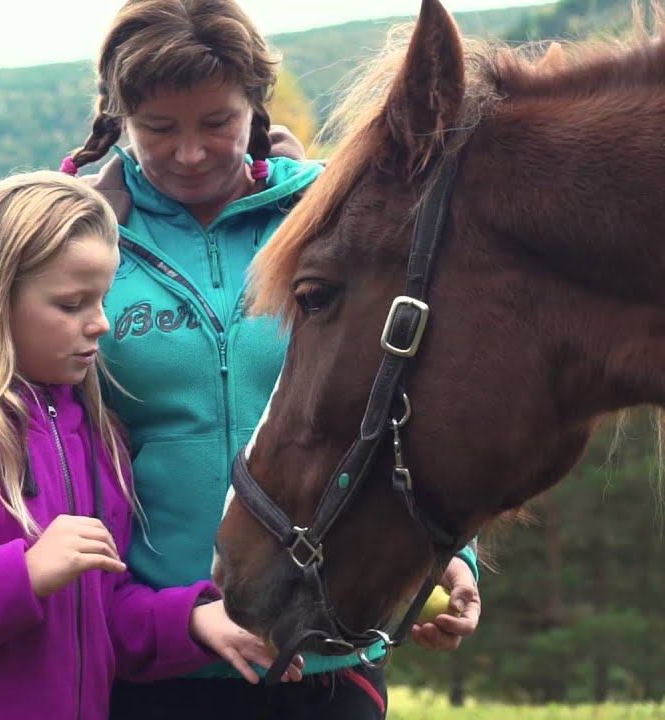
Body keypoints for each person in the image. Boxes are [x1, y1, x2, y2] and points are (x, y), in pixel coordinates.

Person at [58, 2, 483, 718]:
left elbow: (403, 399)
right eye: (159, 128)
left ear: (255, 108)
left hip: (325, 655)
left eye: (217, 122)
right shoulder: (75, 241)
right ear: (118, 117)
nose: (189, 152)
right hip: (151, 658)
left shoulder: (335, 219)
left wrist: (450, 552)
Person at [0, 171, 302, 720]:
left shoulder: (96, 435)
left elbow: (96, 612)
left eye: (103, 300)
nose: (102, 325)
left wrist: (190, 620)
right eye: (71, 305)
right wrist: (20, 575)